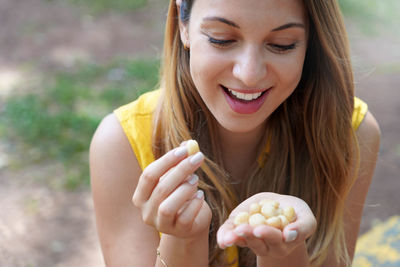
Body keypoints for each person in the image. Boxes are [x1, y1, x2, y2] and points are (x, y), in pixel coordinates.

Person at [89, 0, 381, 266]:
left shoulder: (351, 134)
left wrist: (286, 250)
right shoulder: (121, 144)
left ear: (311, 42)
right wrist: (183, 239)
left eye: (282, 44)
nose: (249, 73)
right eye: (222, 39)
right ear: (183, 23)